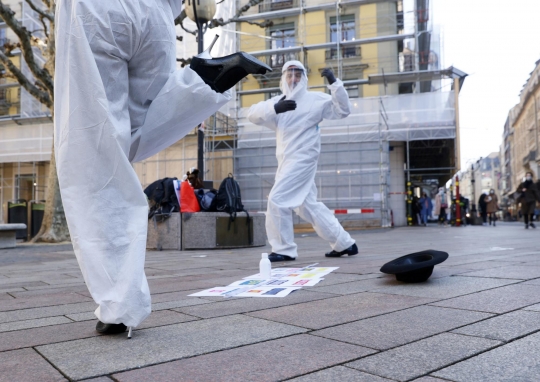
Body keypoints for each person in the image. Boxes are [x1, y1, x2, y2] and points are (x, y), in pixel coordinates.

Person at [55, 0, 271, 335]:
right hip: (156, 16)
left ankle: (120, 303)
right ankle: (205, 80)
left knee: (93, 155)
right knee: (134, 131)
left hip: (96, 10)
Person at [247, 61, 357, 262]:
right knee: (307, 206)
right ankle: (344, 243)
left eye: (298, 74)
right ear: (284, 78)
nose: (293, 78)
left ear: (304, 77)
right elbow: (252, 114)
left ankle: (284, 249)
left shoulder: (314, 100)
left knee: (277, 199)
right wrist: (275, 108)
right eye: (290, 74)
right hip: (285, 161)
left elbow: (342, 110)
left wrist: (334, 83)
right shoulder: (278, 103)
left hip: (303, 159)